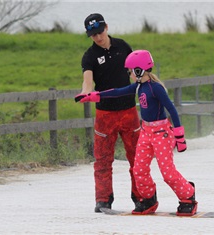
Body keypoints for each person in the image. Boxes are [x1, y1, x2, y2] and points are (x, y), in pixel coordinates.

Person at [77, 50, 198, 216]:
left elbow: (172, 110)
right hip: (146, 132)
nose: (130, 75)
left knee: (167, 173)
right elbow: (117, 92)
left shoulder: (156, 89)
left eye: (131, 71)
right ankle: (148, 199)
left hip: (161, 132)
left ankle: (188, 196)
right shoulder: (139, 86)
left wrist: (179, 136)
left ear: (140, 70)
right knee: (139, 169)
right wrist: (95, 96)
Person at [75, 13, 142, 213]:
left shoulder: (123, 46)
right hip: (105, 115)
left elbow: (134, 73)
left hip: (129, 111)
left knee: (137, 157)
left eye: (100, 32)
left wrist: (146, 83)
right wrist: (85, 93)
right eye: (93, 34)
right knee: (103, 159)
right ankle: (103, 199)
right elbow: (88, 81)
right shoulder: (89, 56)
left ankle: (142, 196)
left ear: (106, 27)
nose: (98, 37)